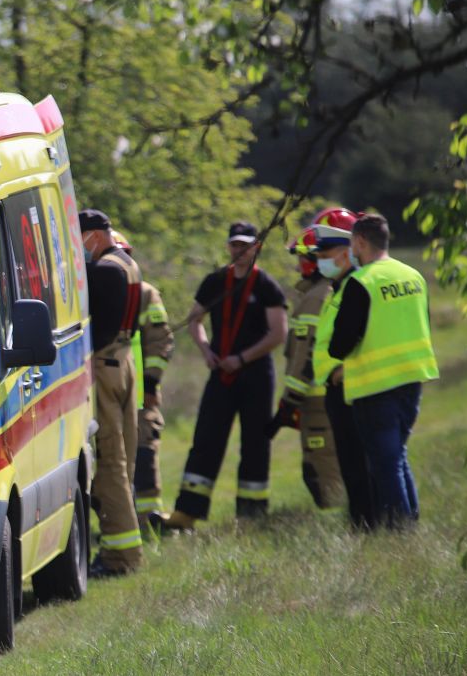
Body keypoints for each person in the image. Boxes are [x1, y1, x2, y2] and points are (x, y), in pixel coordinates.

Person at [162, 222, 288, 531]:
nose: (240, 250)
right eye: (234, 244)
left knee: (255, 443)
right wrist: (206, 350)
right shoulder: (215, 281)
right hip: (220, 374)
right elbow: (195, 320)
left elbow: (278, 333)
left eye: (246, 245)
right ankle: (186, 513)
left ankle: (252, 515)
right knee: (206, 439)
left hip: (256, 374)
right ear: (228, 246)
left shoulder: (267, 286)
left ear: (257, 247)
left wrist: (243, 358)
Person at [324, 213, 439, 527]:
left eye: (352, 244)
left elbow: (340, 345)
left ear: (360, 241)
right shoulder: (414, 276)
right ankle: (410, 523)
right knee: (397, 457)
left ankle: (400, 531)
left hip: (376, 385)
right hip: (412, 379)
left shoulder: (362, 282)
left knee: (384, 465)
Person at [79, 210, 144, 575]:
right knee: (123, 459)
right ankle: (123, 550)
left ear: (95, 236)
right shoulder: (128, 264)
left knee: (109, 463)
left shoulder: (105, 269)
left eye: (82, 238)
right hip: (124, 362)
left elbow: (99, 328)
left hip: (105, 367)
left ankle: (121, 556)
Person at [310, 208, 377, 530]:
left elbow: (370, 336)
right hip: (336, 389)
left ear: (349, 250)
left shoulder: (357, 285)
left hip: (353, 387)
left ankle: (369, 525)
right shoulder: (337, 287)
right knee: (349, 463)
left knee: (360, 463)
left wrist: (345, 371)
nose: (320, 259)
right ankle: (360, 523)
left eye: (326, 252)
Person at [270, 227, 344, 509]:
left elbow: (306, 354)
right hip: (320, 398)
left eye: (304, 257)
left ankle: (340, 523)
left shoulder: (316, 297)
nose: (299, 264)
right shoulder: (321, 292)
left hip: (317, 401)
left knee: (323, 464)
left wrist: (290, 401)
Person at [111, 230, 175, 535]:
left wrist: (151, 385)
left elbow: (161, 341)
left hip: (140, 395)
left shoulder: (146, 294)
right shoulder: (92, 291)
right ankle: (119, 522)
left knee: (144, 455)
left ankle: (150, 522)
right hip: (108, 393)